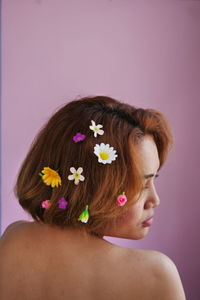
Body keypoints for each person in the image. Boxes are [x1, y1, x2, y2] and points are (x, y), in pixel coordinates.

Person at [0, 96, 186, 299]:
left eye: (153, 179)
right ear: (93, 185)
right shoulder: (156, 274)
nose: (155, 200)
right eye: (141, 185)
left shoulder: (13, 239)